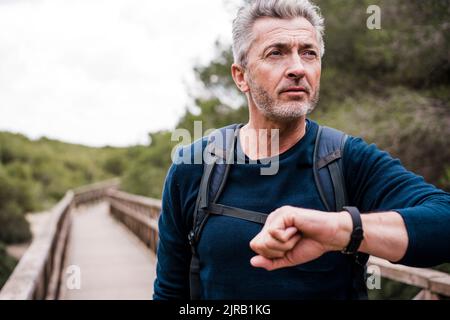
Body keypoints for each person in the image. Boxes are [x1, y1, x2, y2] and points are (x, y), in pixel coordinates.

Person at [153, 0, 450, 300]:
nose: (297, 68)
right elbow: (170, 292)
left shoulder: (346, 160)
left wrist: (341, 230)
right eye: (276, 53)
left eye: (309, 53)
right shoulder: (195, 167)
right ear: (241, 76)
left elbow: (444, 221)